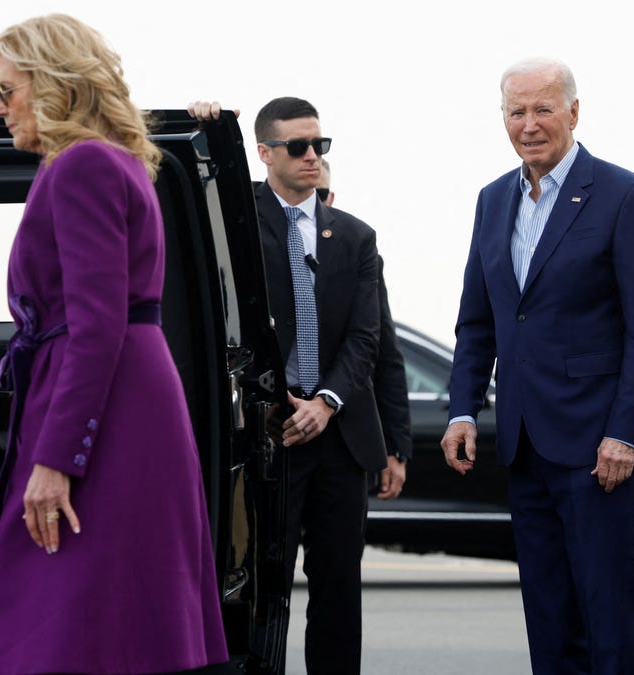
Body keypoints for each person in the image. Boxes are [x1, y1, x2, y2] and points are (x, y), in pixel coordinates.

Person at [0, 15, 227, 674]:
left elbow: (96, 324)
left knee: (65, 615)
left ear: (54, 84)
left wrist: (57, 459)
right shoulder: (113, 161)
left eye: (8, 89)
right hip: (120, 398)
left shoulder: (81, 164)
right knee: (107, 616)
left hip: (107, 413)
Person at [440, 57, 634, 675]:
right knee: (547, 613)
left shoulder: (625, 196)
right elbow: (478, 321)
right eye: (516, 111)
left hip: (598, 446)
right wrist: (464, 407)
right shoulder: (493, 201)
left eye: (543, 108)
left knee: (606, 613)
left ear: (574, 111)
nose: (529, 124)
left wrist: (623, 432)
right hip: (523, 443)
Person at [189, 97, 387, 674]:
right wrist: (206, 127)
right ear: (264, 153)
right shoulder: (236, 222)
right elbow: (179, 182)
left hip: (338, 439)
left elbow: (366, 339)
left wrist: (325, 404)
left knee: (338, 592)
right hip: (265, 439)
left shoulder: (354, 237)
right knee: (260, 591)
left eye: (319, 145)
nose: (311, 157)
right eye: (297, 146)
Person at [317, 158, 411, 497]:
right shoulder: (263, 247)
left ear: (331, 198)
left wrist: (395, 448)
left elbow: (385, 351)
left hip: (346, 431)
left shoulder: (358, 249)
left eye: (321, 192)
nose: (313, 199)